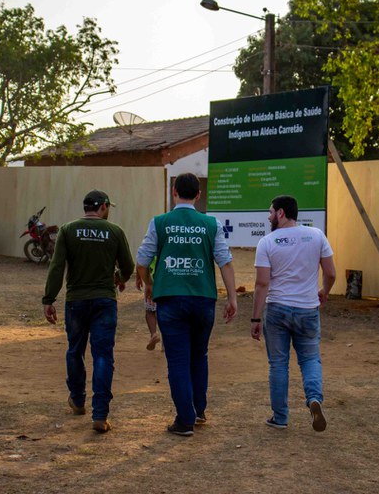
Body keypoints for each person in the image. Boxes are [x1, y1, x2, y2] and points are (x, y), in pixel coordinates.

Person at [136, 173, 237, 437]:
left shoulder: (160, 222)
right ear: (198, 195)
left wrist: (149, 283)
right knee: (199, 355)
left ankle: (184, 420)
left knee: (178, 360)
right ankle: (199, 410)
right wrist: (232, 297)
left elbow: (142, 261)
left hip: (170, 299)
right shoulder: (210, 223)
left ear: (174, 191)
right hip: (203, 299)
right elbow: (225, 261)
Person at [42, 189, 134, 434]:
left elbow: (57, 266)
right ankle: (100, 415)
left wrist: (49, 298)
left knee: (75, 350)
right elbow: (128, 266)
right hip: (105, 301)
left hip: (76, 301)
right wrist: (119, 277)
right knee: (103, 355)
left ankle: (77, 399)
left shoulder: (68, 230)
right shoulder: (115, 231)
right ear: (103, 206)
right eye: (108, 207)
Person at [250, 195, 336, 432]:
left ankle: (280, 417)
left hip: (277, 309)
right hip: (308, 308)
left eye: (270, 212)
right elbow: (331, 273)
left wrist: (255, 318)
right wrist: (324, 291)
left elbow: (262, 284)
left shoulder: (267, 242)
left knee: (278, 364)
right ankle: (314, 398)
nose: (268, 217)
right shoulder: (316, 235)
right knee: (310, 359)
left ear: (280, 213)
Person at [135, 257, 161, 351]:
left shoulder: (151, 247)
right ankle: (165, 342)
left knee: (150, 311)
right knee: (166, 310)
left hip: (151, 281)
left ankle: (153, 334)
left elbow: (141, 260)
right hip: (166, 281)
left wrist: (138, 277)